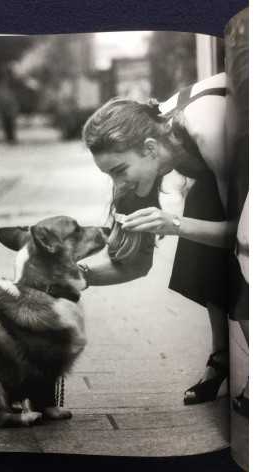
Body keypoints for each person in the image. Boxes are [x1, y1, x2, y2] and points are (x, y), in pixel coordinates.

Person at [80, 72, 235, 405]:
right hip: (220, 173)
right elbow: (134, 264)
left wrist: (177, 224)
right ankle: (222, 357)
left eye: (118, 170)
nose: (117, 184)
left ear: (150, 149)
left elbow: (247, 236)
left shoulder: (208, 129)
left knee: (203, 225)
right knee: (201, 211)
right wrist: (66, 277)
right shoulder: (142, 153)